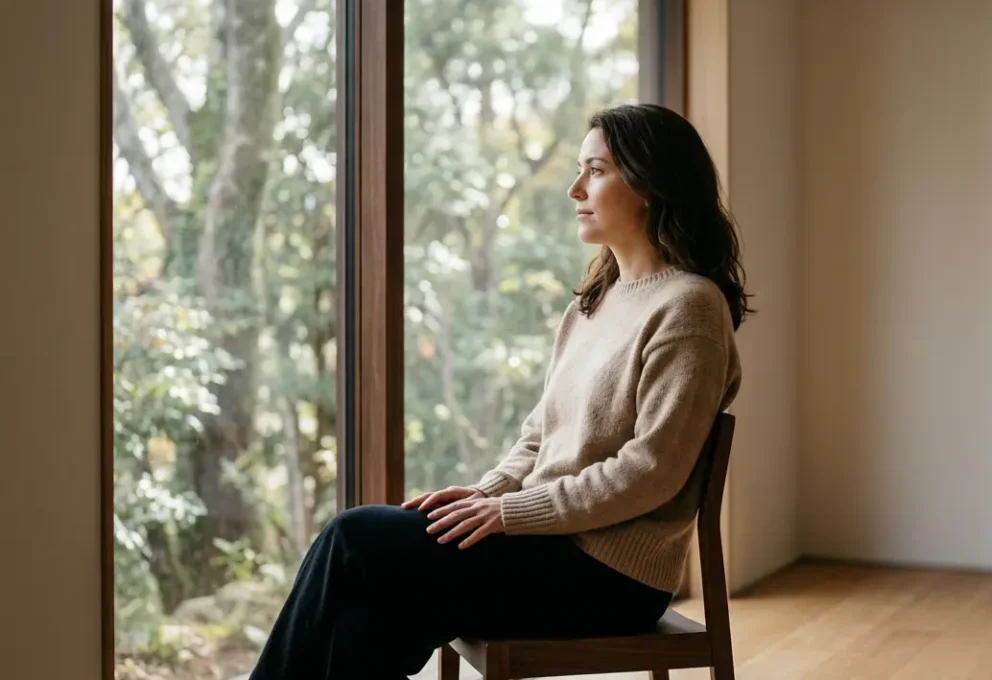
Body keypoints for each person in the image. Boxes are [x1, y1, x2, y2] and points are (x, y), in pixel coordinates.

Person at [248, 102, 751, 679]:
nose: (574, 188)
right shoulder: (594, 303)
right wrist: (484, 495)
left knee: (351, 537)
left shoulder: (689, 307)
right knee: (369, 618)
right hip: (548, 547)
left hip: (610, 576)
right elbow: (539, 437)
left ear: (649, 183)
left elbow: (651, 470)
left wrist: (508, 513)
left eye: (596, 170)